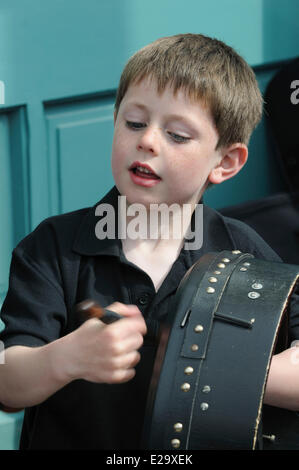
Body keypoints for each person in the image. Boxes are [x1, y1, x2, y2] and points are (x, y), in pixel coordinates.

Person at [0, 33, 298, 450]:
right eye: (134, 122)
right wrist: (65, 358)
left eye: (177, 135)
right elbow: (9, 383)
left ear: (225, 162)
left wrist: (219, 371)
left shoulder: (242, 253)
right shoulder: (52, 248)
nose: (148, 140)